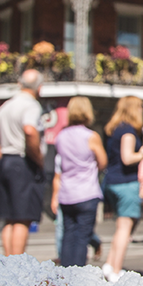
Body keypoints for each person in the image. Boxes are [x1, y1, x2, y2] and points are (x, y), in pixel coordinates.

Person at [0, 69, 45, 256]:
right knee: (22, 218)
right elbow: (30, 130)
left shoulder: (7, 105)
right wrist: (38, 157)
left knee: (9, 218)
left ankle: (8, 262)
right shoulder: (31, 105)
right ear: (39, 88)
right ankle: (17, 263)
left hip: (7, 162)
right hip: (23, 162)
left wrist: (1, 155)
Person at [49, 97, 108, 268]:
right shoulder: (91, 136)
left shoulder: (60, 137)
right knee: (82, 237)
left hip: (66, 193)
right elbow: (103, 162)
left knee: (68, 235)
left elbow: (59, 167)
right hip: (86, 192)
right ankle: (78, 274)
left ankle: (66, 273)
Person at [101, 96, 143, 281]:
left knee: (123, 226)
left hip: (112, 181)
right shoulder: (128, 131)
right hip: (125, 183)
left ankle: (109, 264)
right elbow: (127, 158)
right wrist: (142, 153)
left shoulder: (115, 130)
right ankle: (116, 270)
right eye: (141, 107)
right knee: (125, 227)